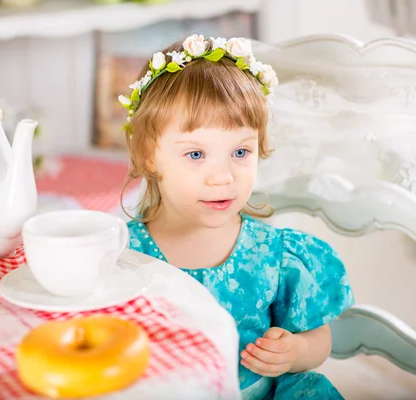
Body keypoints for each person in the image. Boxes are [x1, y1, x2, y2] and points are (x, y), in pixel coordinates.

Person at [119, 33, 354, 399]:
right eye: (196, 155)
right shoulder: (124, 253)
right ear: (150, 155)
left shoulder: (277, 254)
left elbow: (319, 340)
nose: (223, 176)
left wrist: (294, 352)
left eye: (241, 152)